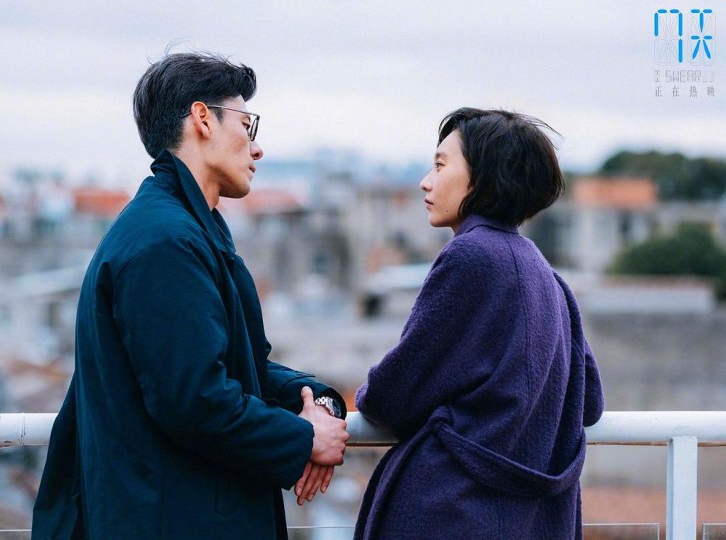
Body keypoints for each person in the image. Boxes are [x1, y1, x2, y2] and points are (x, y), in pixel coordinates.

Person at [31, 51, 349, 540]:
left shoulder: (180, 228)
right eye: (247, 124)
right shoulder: (165, 241)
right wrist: (304, 439)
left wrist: (318, 401)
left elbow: (227, 366)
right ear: (203, 118)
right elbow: (196, 400)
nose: (257, 148)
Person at [354, 108, 604, 539]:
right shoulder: (549, 276)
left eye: (440, 165)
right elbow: (589, 403)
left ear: (483, 178)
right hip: (532, 518)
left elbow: (390, 396)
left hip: (450, 510)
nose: (425, 182)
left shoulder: (470, 256)